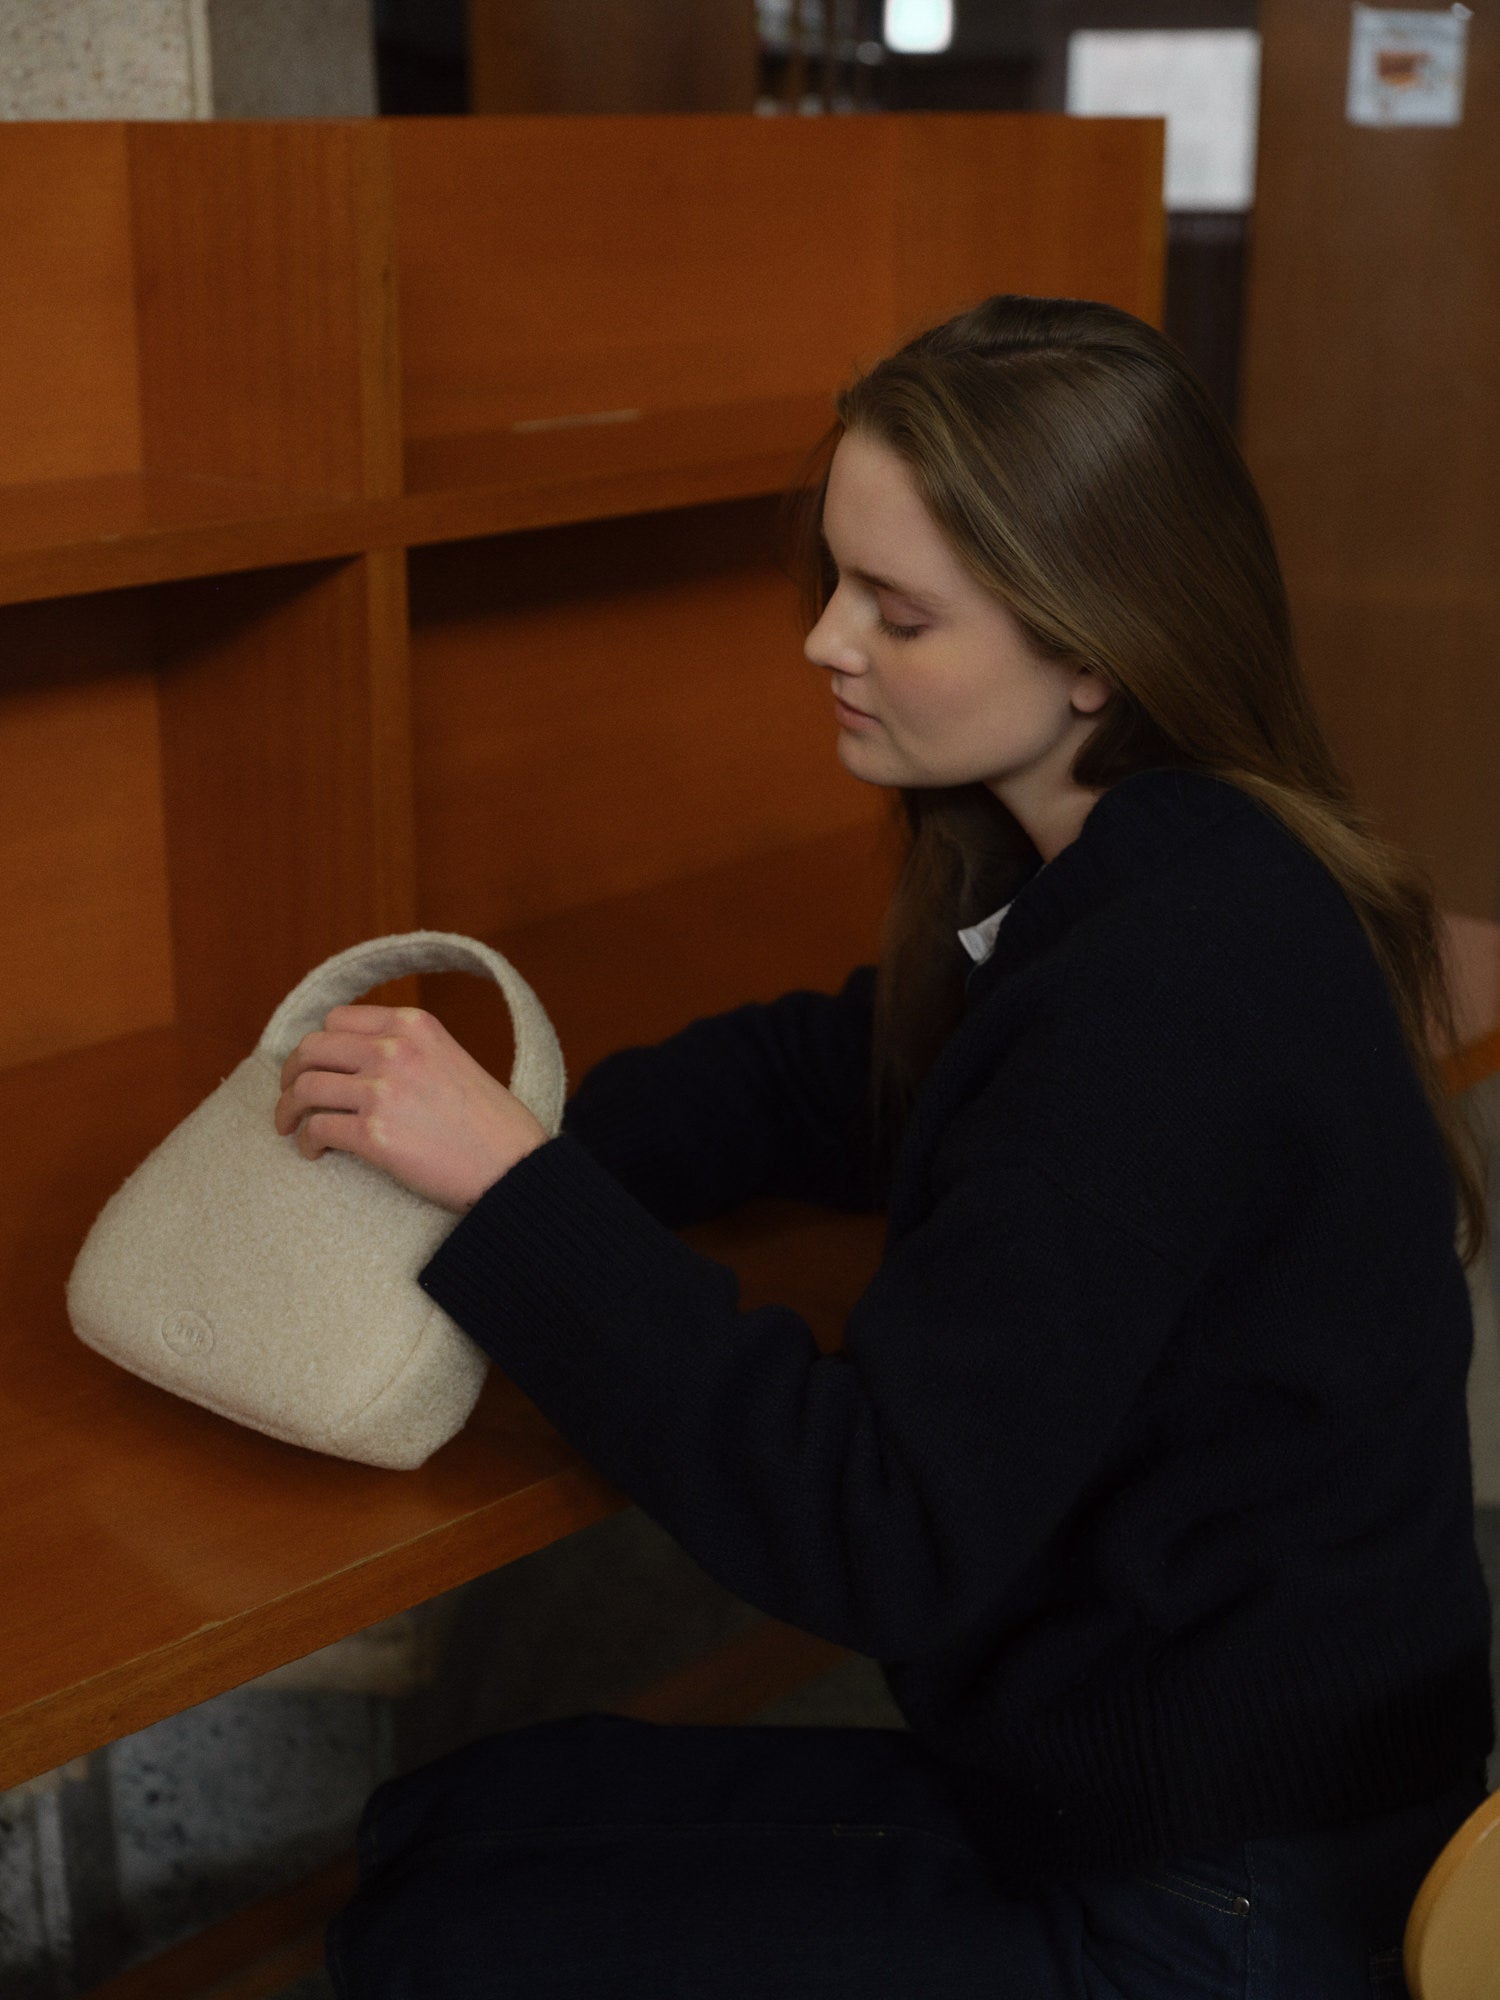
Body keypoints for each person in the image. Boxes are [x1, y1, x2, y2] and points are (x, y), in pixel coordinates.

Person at [276, 296, 1494, 1997]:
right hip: (1226, 1801)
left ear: (1095, 652)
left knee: (431, 1935)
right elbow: (840, 1072)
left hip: (1211, 1902)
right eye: (835, 582)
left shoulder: (1157, 997)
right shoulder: (1182, 857)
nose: (824, 641)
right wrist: (528, 1130)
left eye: (897, 612)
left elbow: (875, 1529)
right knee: (443, 1831)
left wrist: (514, 1195)